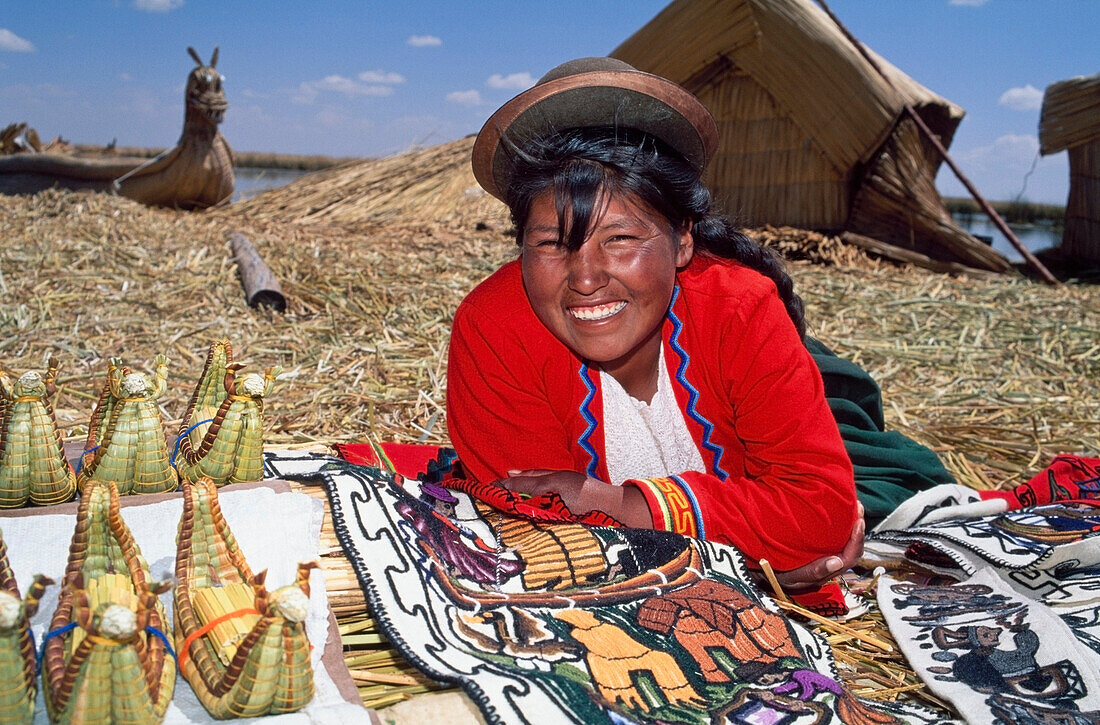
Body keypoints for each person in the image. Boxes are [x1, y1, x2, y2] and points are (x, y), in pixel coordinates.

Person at [447, 57, 862, 592]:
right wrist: (758, 570)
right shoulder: (496, 326)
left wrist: (615, 502)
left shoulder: (739, 307)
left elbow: (819, 517)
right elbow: (537, 537)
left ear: (683, 238)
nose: (586, 279)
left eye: (619, 239)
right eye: (551, 243)